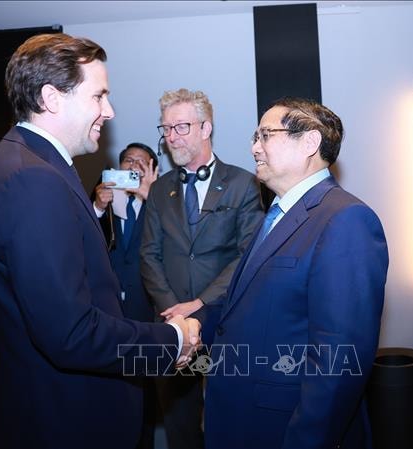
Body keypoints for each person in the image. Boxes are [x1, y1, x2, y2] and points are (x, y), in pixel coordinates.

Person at [0, 33, 200, 449]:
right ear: (51, 98)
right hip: (63, 420)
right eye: (98, 96)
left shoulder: (25, 163)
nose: (109, 111)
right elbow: (70, 333)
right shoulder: (32, 179)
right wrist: (173, 340)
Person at [200, 97, 389, 449]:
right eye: (255, 137)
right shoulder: (276, 215)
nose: (254, 147)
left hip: (286, 427)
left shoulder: (345, 219)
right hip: (242, 417)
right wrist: (193, 323)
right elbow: (247, 304)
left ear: (309, 142)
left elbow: (338, 358)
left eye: (265, 135)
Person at [140, 88, 264, 449]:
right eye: (166, 128)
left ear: (206, 128)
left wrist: (199, 303)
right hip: (172, 325)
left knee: (230, 422)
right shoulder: (160, 190)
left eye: (181, 127)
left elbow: (248, 255)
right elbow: (149, 255)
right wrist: (174, 311)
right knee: (180, 425)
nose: (171, 137)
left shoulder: (243, 183)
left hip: (225, 322)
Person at [93, 142, 159, 449]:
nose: (133, 166)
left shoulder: (161, 201)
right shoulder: (104, 199)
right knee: (106, 387)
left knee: (144, 390)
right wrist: (98, 207)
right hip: (106, 309)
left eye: (141, 162)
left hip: (146, 308)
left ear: (152, 169)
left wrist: (152, 197)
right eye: (128, 160)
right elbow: (81, 240)